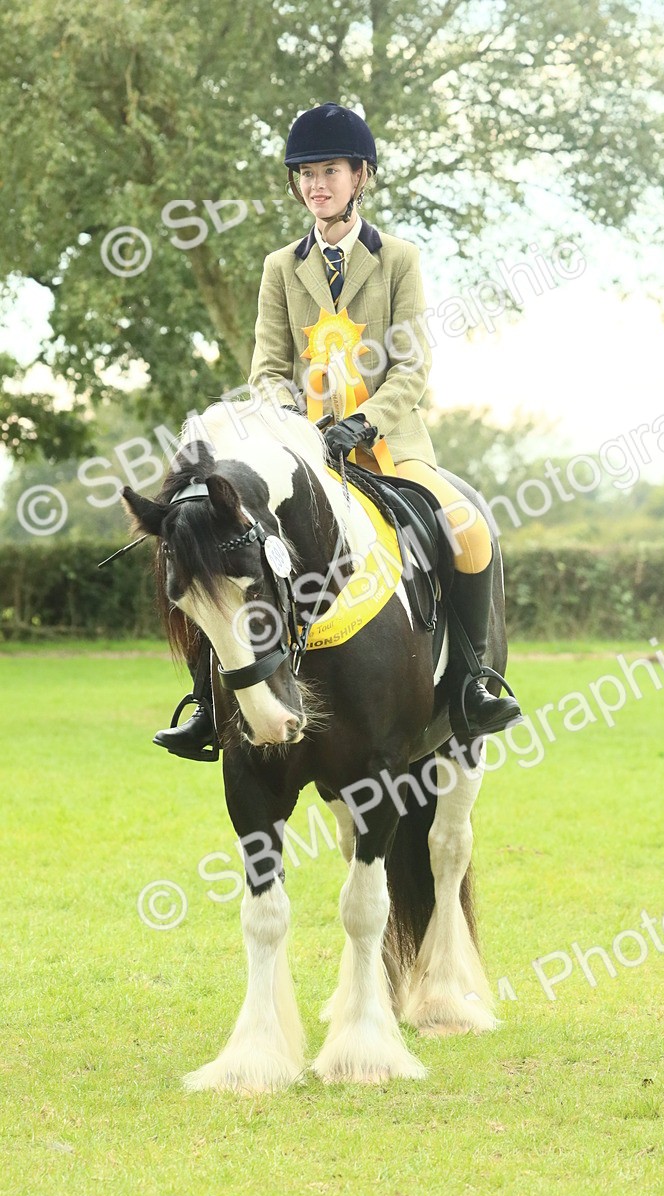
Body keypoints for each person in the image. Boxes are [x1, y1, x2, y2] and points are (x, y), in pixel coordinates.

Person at [154, 102, 521, 759]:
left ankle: (471, 683)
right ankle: (207, 706)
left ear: (361, 177)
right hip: (304, 462)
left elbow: (413, 365)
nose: (316, 184)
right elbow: (267, 368)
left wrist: (362, 422)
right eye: (305, 173)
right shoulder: (279, 267)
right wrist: (293, 427)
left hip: (387, 449)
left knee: (465, 529)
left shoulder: (399, 260)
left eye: (329, 171)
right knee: (213, 546)